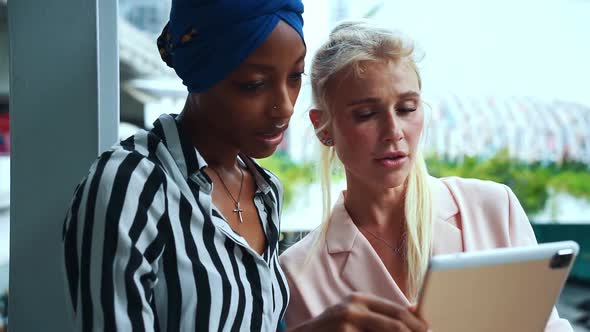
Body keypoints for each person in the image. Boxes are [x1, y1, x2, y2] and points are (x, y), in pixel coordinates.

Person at [280, 21, 573, 331]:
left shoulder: (494, 209)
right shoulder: (298, 273)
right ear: (323, 127)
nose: (394, 132)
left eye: (407, 108)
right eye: (366, 114)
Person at [62, 1, 305, 330]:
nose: (285, 106)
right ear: (201, 73)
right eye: (254, 84)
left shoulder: (264, 191)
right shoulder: (131, 184)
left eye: (295, 76)